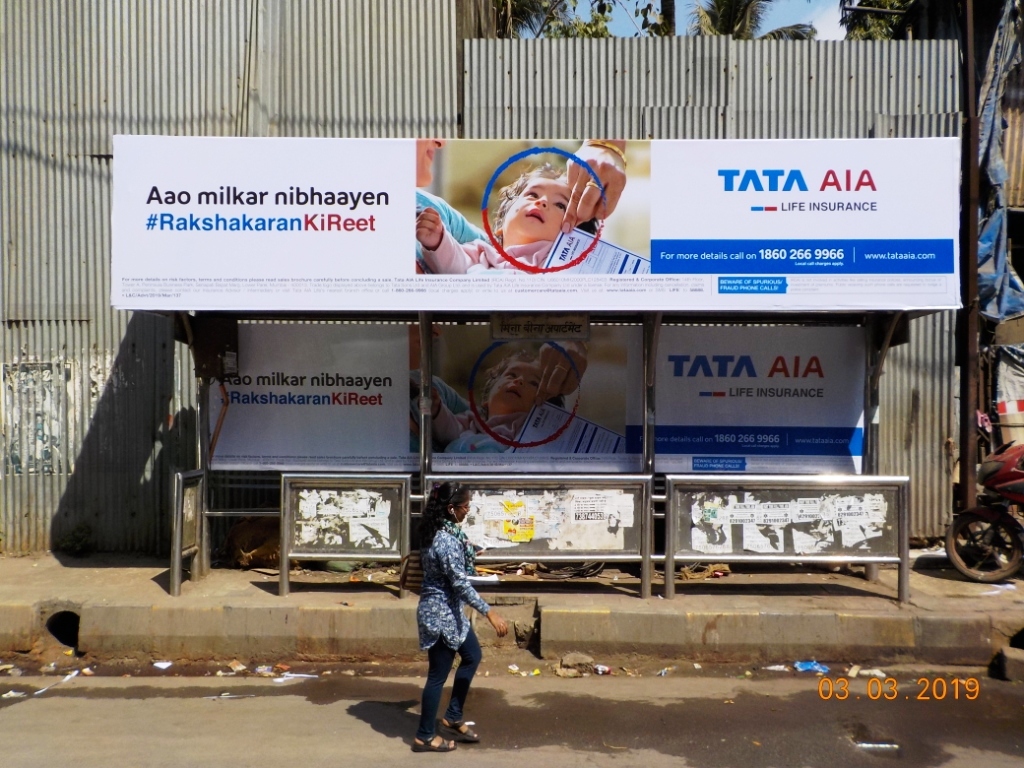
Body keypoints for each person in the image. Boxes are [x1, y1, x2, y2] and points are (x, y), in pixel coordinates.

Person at [413, 482, 508, 753]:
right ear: (451, 509)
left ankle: (453, 715)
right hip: (440, 615)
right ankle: (425, 736)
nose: (468, 511)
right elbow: (460, 584)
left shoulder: (440, 532)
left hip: (450, 612)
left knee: (472, 656)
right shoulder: (444, 540)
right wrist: (489, 612)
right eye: (466, 506)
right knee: (437, 677)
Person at [417, 164, 571, 274]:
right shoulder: (483, 252)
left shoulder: (557, 263)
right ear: (501, 225)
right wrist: (437, 241)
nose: (542, 202)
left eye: (560, 205)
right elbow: (455, 265)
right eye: (533, 195)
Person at [431, 348, 575, 453]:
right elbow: (449, 430)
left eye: (533, 383)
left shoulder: (529, 428)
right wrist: (437, 409)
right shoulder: (473, 419)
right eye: (512, 375)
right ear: (487, 398)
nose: (519, 381)